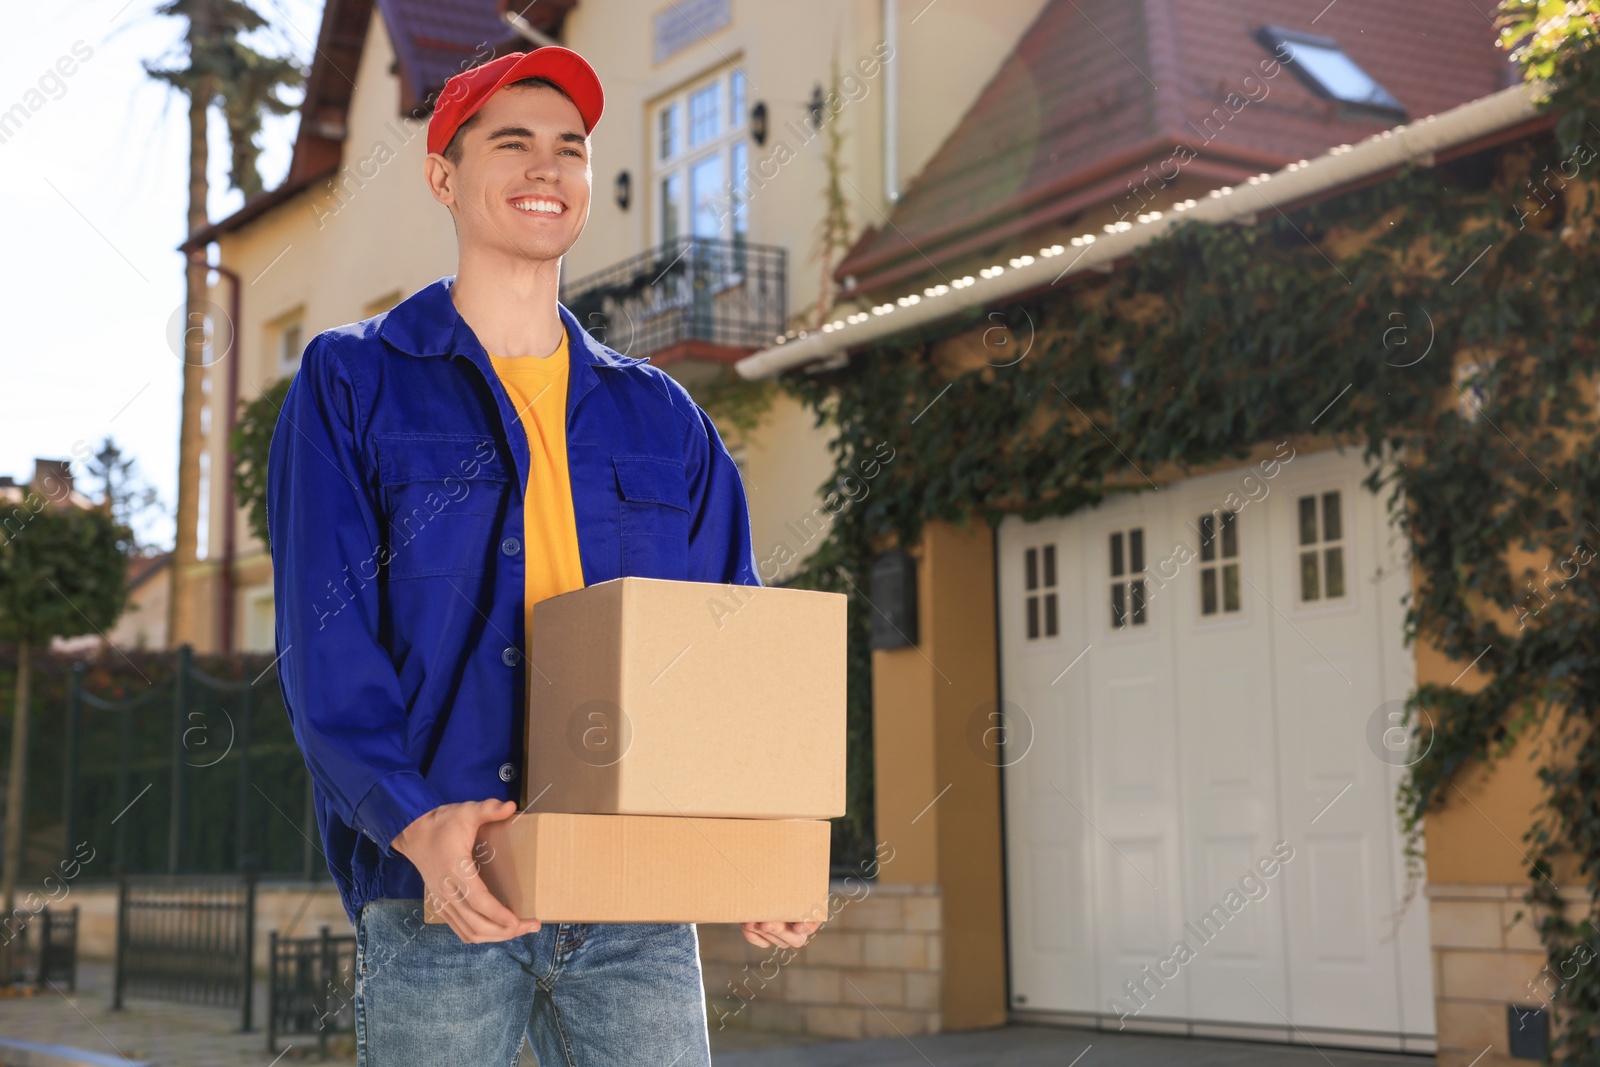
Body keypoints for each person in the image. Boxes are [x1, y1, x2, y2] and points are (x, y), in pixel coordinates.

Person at [266, 46, 818, 1067]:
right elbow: (325, 640)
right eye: (511, 142)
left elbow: (729, 642)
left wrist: (763, 841)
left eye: (569, 148)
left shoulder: (662, 416)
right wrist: (414, 820)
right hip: (446, 890)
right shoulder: (351, 381)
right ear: (444, 176)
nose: (546, 168)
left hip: (635, 899)